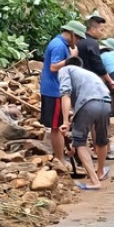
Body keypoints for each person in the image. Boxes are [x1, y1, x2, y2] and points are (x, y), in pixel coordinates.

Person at [58, 57, 112, 189]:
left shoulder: (65, 70)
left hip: (88, 104)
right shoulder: (88, 74)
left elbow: (65, 94)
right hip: (106, 103)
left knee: (80, 142)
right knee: (102, 140)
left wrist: (65, 122)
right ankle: (100, 172)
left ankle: (95, 182)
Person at [39, 20, 86, 165]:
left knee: (57, 126)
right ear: (72, 34)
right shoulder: (59, 45)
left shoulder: (60, 43)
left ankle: (60, 157)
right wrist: (71, 59)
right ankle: (60, 159)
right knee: (57, 127)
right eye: (77, 38)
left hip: (52, 89)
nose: (78, 41)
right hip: (54, 91)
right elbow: (54, 67)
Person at [76, 10, 114, 92]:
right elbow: (98, 65)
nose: (102, 34)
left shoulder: (80, 40)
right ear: (93, 29)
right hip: (89, 82)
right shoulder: (92, 43)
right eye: (101, 30)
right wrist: (110, 81)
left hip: (78, 80)